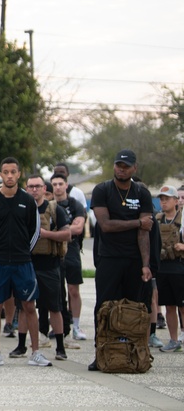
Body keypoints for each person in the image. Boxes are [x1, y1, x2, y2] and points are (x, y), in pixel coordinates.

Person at [0, 157, 51, 367]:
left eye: (13, 172)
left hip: (23, 261)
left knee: (29, 306)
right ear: (1, 174)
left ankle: (36, 352)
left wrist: (23, 252)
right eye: (5, 172)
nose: (9, 175)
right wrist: (0, 251)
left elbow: (35, 230)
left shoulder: (28, 200)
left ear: (19, 174)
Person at [88, 149, 154, 371]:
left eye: (126, 166)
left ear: (134, 168)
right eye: (118, 165)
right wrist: (136, 222)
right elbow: (106, 225)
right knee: (104, 307)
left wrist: (146, 264)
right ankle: (101, 355)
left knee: (134, 309)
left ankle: (132, 355)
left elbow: (145, 233)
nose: (121, 169)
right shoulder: (102, 190)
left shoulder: (142, 193)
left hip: (134, 259)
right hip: (109, 258)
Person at [24, 174, 71, 361]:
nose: (34, 190)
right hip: (27, 264)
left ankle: (60, 347)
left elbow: (67, 234)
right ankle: (22, 345)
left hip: (50, 264)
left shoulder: (54, 209)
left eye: (38, 186)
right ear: (26, 189)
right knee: (25, 306)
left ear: (45, 189)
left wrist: (45, 234)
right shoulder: (23, 209)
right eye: (30, 186)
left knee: (55, 307)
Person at [52, 174, 88, 342]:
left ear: (66, 185)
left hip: (72, 248)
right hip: (54, 250)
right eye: (54, 184)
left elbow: (79, 227)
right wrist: (66, 230)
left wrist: (57, 232)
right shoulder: (49, 205)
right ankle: (59, 326)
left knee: (73, 289)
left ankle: (76, 326)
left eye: (60, 184)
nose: (58, 187)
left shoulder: (75, 205)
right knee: (56, 290)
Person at [153, 185, 184, 352]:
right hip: (163, 268)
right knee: (169, 306)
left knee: (183, 306)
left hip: (180, 267)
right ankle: (173, 340)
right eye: (161, 199)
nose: (163, 202)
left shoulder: (183, 219)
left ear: (175, 200)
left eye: (167, 199)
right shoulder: (157, 219)